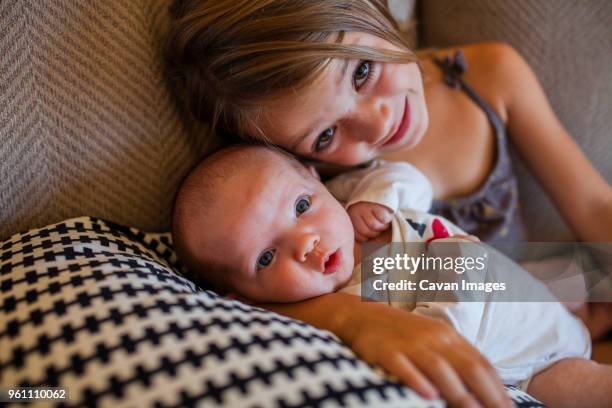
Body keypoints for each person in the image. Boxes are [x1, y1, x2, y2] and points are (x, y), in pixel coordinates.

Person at [165, 0, 612, 406]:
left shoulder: (489, 77)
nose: (375, 124)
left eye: (361, 72)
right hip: (516, 363)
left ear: (372, 9)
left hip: (550, 291)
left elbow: (594, 208)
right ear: (300, 161)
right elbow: (263, 282)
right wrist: (354, 318)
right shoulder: (317, 198)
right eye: (325, 135)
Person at [172, 144, 610, 408]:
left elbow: (407, 176)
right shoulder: (322, 318)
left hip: (520, 289)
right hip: (538, 361)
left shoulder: (352, 202)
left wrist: (377, 199)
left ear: (314, 177)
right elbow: (437, 344)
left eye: (302, 207)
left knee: (566, 280)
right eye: (266, 258)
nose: (304, 241)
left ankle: (589, 313)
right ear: (243, 296)